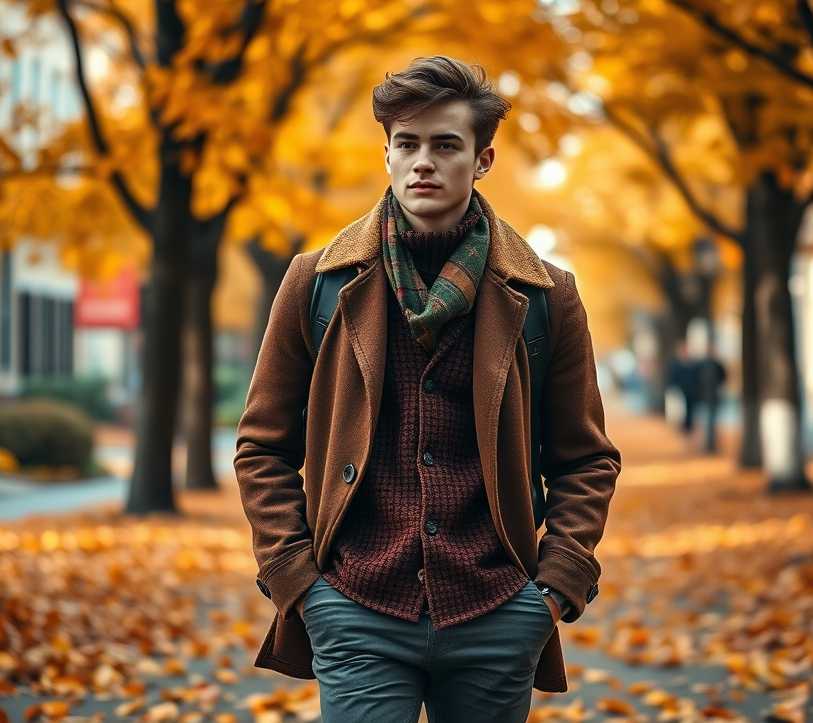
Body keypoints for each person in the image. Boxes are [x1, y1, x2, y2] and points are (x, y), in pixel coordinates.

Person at [234, 55, 621, 723]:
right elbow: (261, 448)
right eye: (407, 144)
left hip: (497, 614)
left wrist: (552, 592)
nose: (424, 162)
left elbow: (586, 460)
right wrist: (300, 583)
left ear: (483, 159)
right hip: (354, 611)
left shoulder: (547, 296)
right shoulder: (316, 281)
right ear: (386, 154)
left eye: (446, 145)